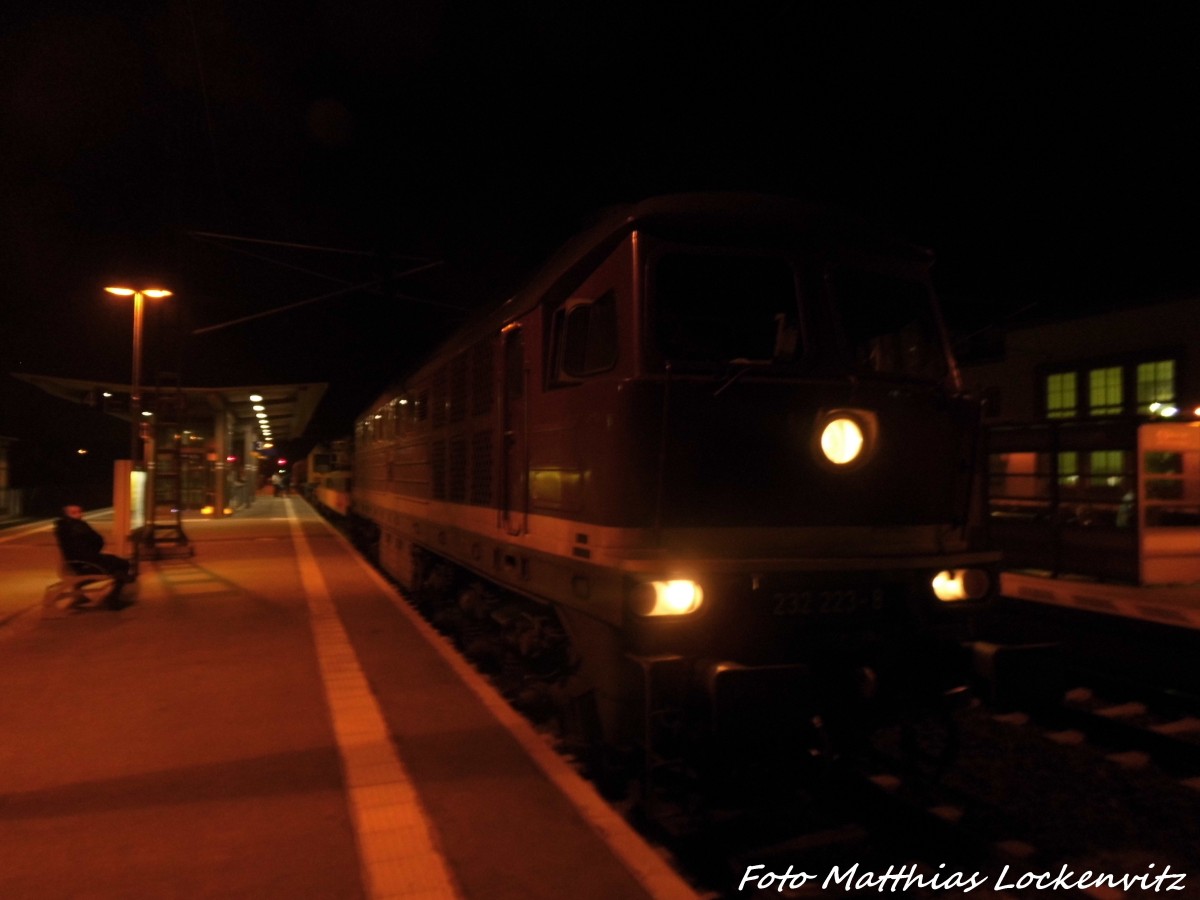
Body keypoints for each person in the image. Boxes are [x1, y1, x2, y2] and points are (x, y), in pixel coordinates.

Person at [53, 505, 133, 609]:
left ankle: (81, 593)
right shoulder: (77, 527)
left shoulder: (63, 526)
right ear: (66, 514)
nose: (78, 514)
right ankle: (113, 599)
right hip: (86, 564)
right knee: (123, 564)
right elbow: (95, 542)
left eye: (79, 511)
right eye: (73, 512)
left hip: (78, 563)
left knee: (116, 563)